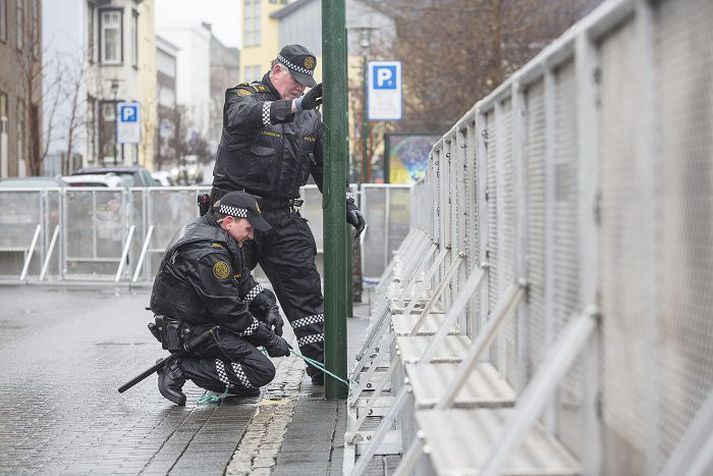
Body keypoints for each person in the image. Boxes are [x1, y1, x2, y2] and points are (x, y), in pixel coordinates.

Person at [210, 44, 366, 385]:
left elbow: (326, 170)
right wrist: (294, 105)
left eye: (305, 82)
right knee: (224, 291)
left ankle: (322, 366)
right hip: (236, 217)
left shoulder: (311, 116)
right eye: (295, 79)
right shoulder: (243, 96)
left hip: (282, 216)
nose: (301, 87)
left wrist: (347, 203)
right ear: (276, 70)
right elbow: (242, 117)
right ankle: (220, 368)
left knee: (306, 294)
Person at [149, 191, 291, 405]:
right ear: (228, 222)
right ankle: (180, 368)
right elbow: (230, 311)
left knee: (249, 372)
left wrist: (268, 305)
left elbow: (242, 280)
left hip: (202, 319)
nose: (251, 236)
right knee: (261, 371)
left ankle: (233, 381)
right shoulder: (209, 253)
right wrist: (269, 339)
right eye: (249, 229)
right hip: (191, 330)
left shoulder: (218, 235)